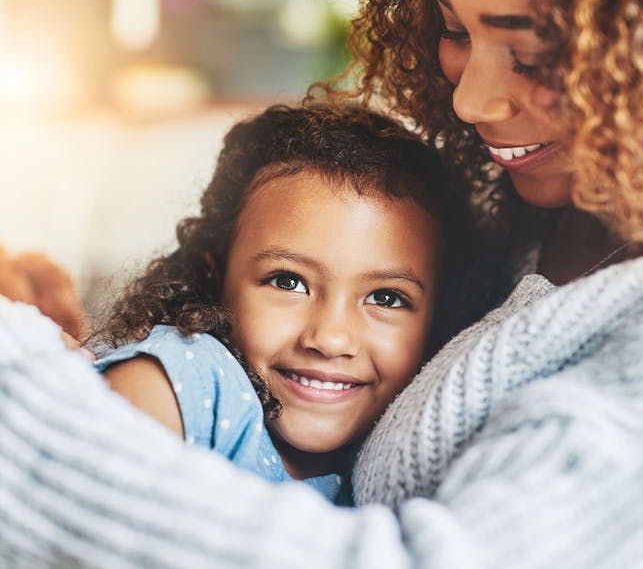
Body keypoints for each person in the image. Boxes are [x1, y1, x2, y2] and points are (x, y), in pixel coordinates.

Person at [1, 0, 643, 567]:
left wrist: (24, 405)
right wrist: (66, 348)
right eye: (455, 28)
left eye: (537, 50)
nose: (474, 99)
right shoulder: (536, 217)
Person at [85, 103, 484, 499]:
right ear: (215, 277)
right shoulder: (188, 380)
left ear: (438, 319)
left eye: (386, 298)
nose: (330, 339)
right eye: (288, 282)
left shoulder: (408, 452)